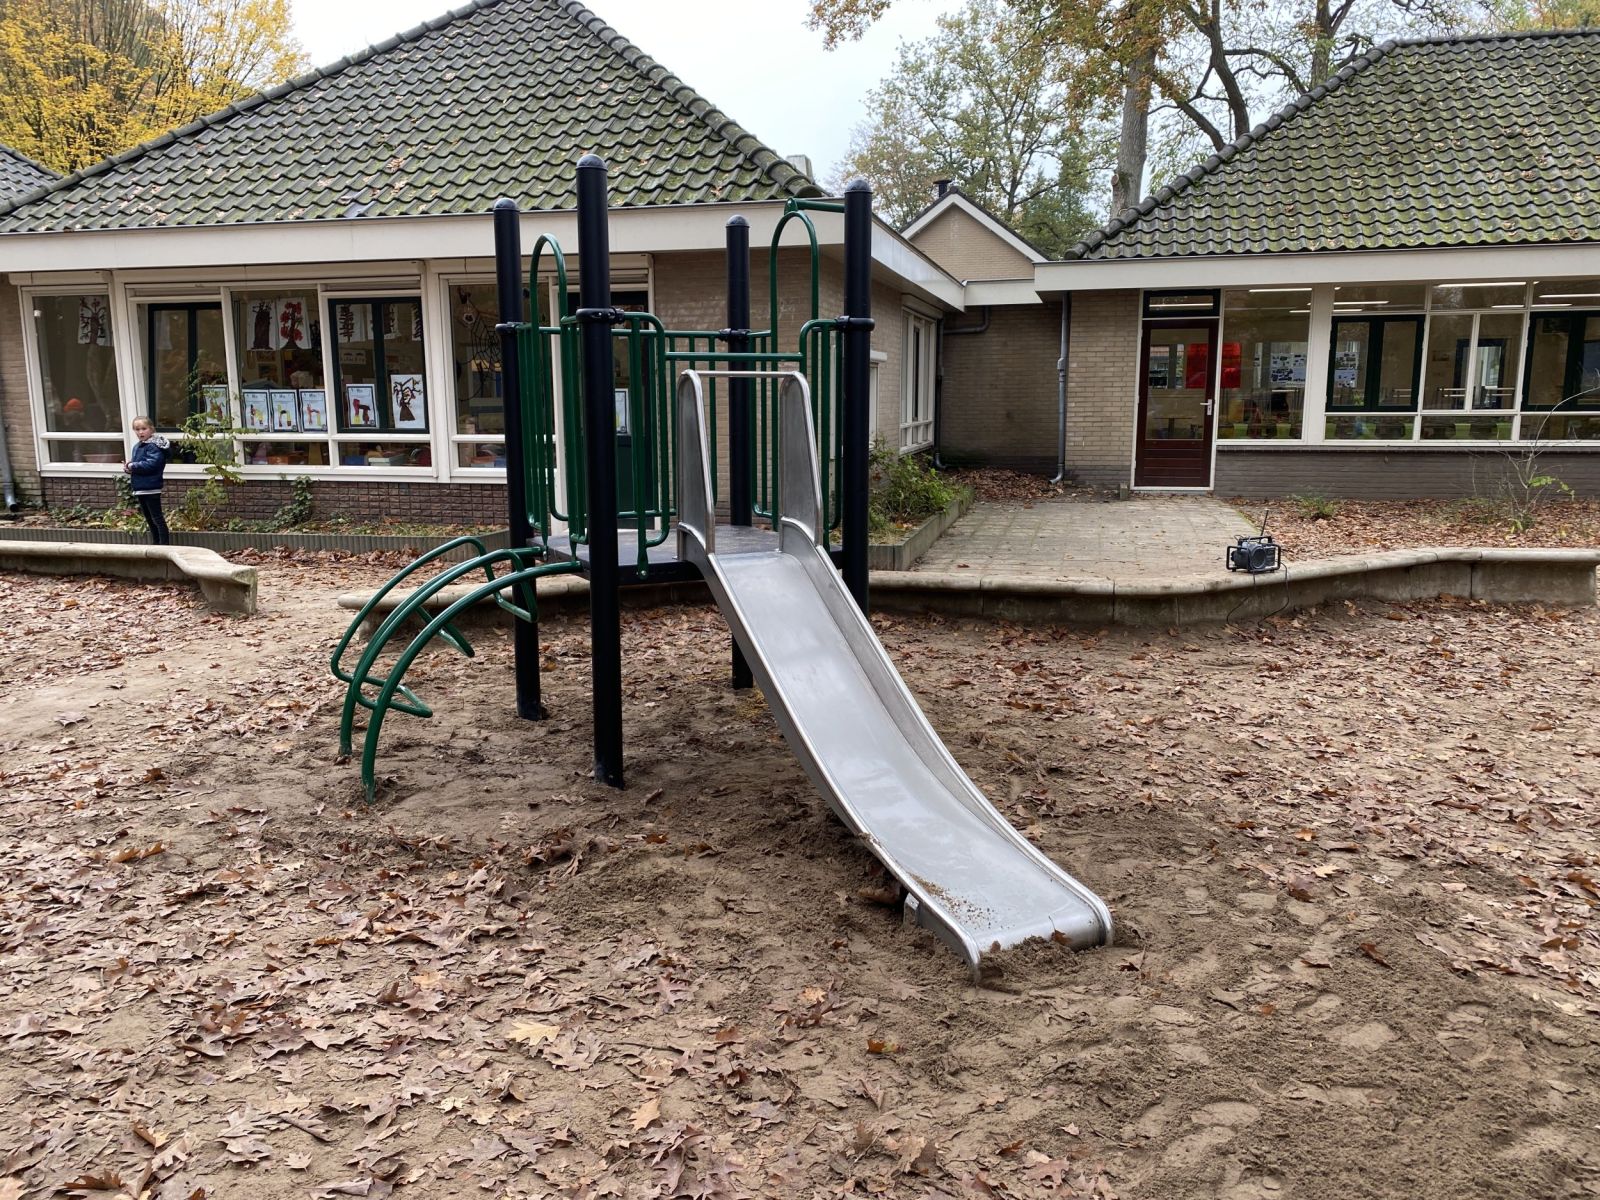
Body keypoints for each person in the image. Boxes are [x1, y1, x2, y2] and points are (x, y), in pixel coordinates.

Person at [125, 417, 172, 545]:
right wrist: (129, 468)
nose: (140, 432)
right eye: (137, 429)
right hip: (140, 487)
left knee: (157, 518)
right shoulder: (138, 446)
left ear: (151, 429)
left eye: (144, 429)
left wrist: (133, 466)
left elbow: (152, 464)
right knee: (149, 519)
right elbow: (138, 465)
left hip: (151, 487)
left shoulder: (153, 446)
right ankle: (156, 544)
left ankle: (164, 545)